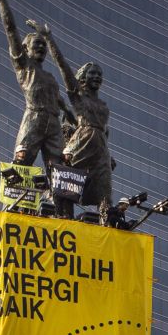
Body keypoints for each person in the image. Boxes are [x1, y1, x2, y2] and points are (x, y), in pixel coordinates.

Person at [0, 0, 74, 169]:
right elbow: (10, 29)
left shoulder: (50, 77)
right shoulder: (24, 65)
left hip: (54, 123)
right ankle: (12, 200)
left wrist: (74, 118)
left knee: (61, 173)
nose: (41, 48)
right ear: (25, 49)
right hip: (34, 118)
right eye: (37, 44)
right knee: (21, 164)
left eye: (43, 45)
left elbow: (62, 104)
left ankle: (58, 200)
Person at [47, 41, 115, 217]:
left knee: (105, 188)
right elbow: (63, 66)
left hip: (100, 147)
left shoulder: (103, 105)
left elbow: (104, 134)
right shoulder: (78, 96)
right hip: (83, 139)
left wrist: (108, 153)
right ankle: (63, 215)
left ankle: (107, 221)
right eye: (92, 73)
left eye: (99, 74)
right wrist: (49, 39)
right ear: (83, 77)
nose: (97, 77)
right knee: (67, 179)